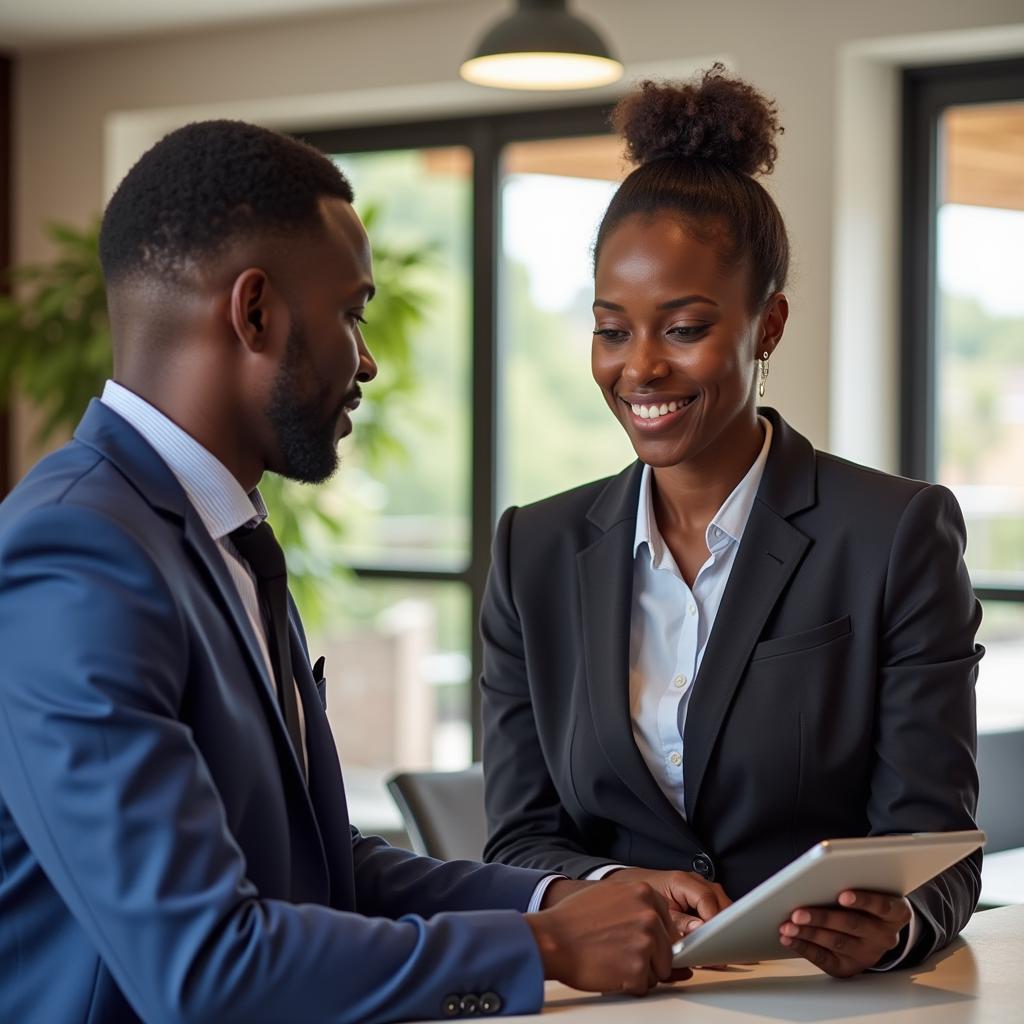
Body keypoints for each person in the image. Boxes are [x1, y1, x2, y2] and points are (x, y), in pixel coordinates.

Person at [0, 120, 721, 1024]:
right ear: (254, 311)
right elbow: (201, 967)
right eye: (351, 313)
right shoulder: (78, 555)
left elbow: (318, 869)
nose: (368, 360)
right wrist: (545, 949)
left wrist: (552, 902)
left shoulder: (220, 536)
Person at [480, 67, 983, 978]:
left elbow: (939, 843)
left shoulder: (895, 534)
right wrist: (608, 883)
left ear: (770, 324)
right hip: (618, 997)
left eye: (683, 329)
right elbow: (516, 841)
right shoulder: (534, 552)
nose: (639, 369)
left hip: (822, 1000)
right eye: (611, 329)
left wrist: (896, 926)